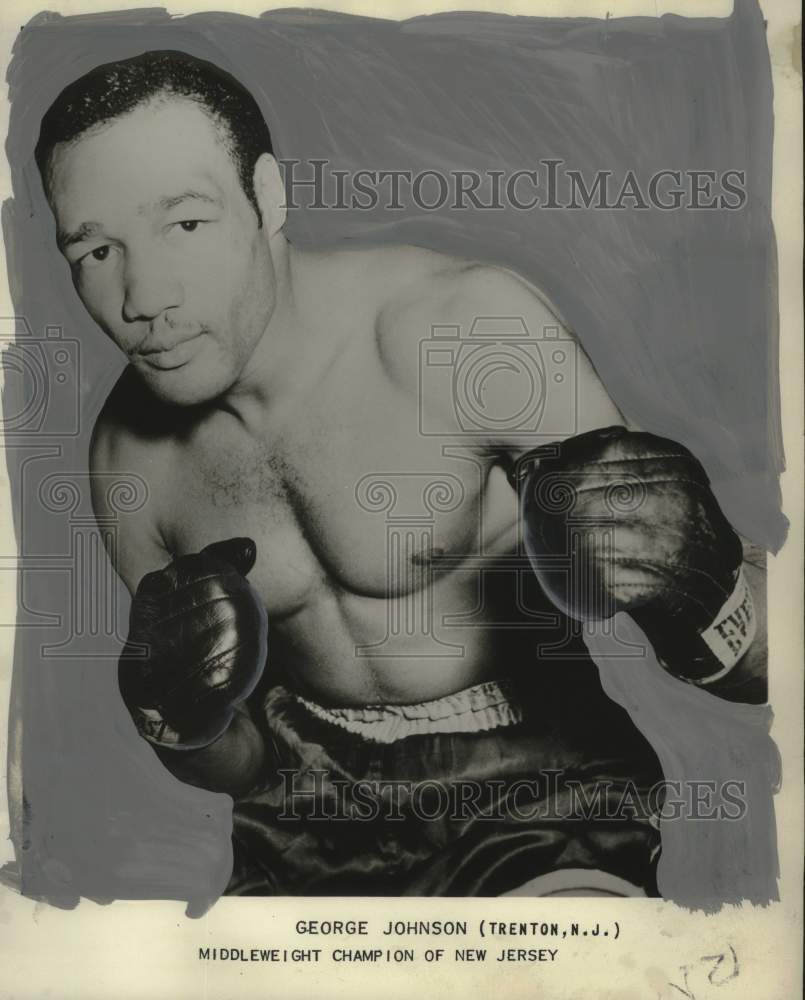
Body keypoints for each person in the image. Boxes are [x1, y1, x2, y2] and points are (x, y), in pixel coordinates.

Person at [35, 49, 766, 897]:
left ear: (266, 198)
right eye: (94, 252)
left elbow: (748, 652)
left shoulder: (461, 331)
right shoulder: (125, 454)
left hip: (534, 789)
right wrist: (176, 720)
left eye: (185, 224)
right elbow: (237, 767)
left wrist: (708, 597)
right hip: (299, 809)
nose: (142, 296)